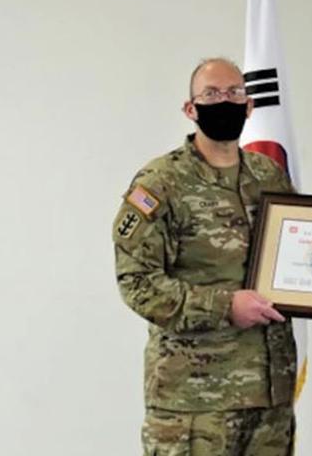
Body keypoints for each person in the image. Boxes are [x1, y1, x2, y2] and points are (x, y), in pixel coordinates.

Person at [113, 57, 297, 456]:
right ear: (190, 109)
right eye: (211, 94)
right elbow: (137, 282)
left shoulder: (270, 176)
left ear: (249, 106)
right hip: (193, 404)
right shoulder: (160, 183)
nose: (224, 101)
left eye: (234, 93)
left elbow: (300, 260)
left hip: (270, 396)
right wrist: (224, 306)